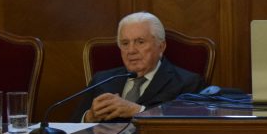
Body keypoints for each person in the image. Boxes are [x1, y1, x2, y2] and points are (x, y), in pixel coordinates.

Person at [75, 12, 206, 123]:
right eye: (125, 43)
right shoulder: (102, 79)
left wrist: (138, 111)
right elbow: (69, 126)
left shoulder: (187, 83)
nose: (131, 50)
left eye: (140, 42)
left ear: (161, 46)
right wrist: (89, 117)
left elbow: (186, 127)